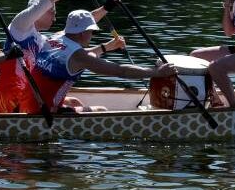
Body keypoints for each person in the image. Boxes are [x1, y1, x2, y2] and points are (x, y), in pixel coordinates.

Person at [32, 8, 176, 113]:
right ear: (82, 33)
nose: (92, 35)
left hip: (31, 99)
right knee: (101, 109)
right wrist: (156, 72)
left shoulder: (55, 38)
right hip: (44, 111)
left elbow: (80, 57)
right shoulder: (80, 56)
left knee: (75, 102)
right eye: (92, 31)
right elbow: (121, 71)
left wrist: (107, 47)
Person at [0, 0, 92, 113]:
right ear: (38, 11)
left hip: (28, 97)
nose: (55, 16)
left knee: (75, 102)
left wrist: (106, 8)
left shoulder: (43, 41)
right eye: (51, 11)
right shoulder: (20, 26)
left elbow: (74, 30)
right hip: (12, 101)